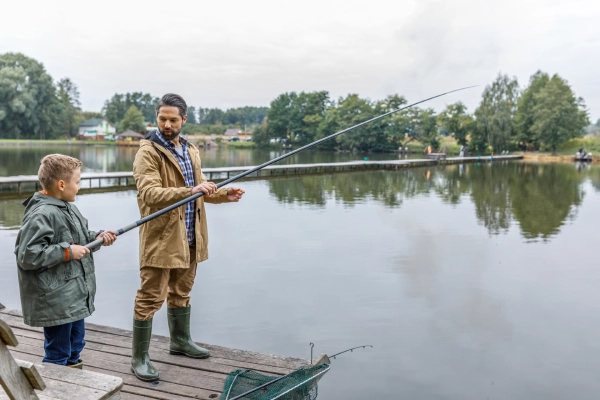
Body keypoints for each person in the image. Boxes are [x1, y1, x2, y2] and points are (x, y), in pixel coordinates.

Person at [131, 93, 245, 382]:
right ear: (157, 119)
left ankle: (180, 341)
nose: (167, 124)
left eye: (172, 119)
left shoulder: (190, 149)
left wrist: (222, 195)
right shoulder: (148, 152)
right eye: (162, 119)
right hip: (161, 238)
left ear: (183, 120)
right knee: (149, 297)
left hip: (191, 237)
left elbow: (199, 189)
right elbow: (150, 195)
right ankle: (139, 358)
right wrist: (191, 191)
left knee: (182, 293)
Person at [14, 154, 117, 369]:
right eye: (77, 183)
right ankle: (54, 389)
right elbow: (27, 255)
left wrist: (97, 238)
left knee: (76, 345)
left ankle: (73, 385)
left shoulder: (65, 206)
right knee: (58, 352)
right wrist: (67, 252)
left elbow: (77, 239)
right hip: (56, 301)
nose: (79, 188)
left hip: (73, 297)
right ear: (61, 184)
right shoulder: (42, 213)